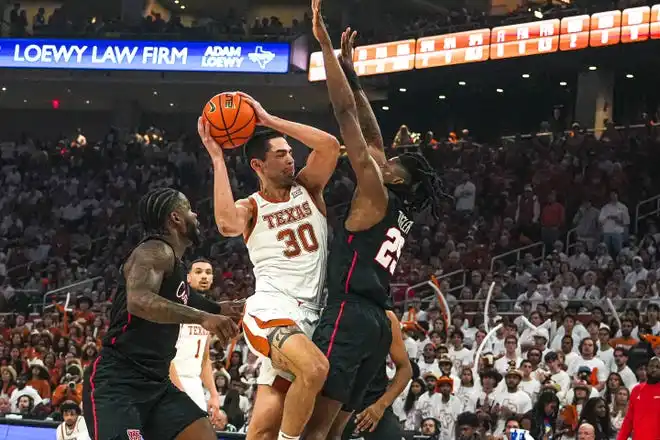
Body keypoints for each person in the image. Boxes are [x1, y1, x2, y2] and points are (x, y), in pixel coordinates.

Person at [304, 8, 446, 439]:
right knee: (334, 433)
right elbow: (372, 136)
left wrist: (326, 48)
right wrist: (357, 75)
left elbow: (345, 114)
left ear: (397, 175)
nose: (385, 156)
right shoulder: (399, 206)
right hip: (376, 324)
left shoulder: (377, 191)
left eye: (393, 160)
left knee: (313, 430)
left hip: (348, 313)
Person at [198, 85, 340, 440]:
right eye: (281, 154)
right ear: (258, 164)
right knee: (315, 369)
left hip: (314, 315)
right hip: (272, 310)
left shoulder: (309, 188)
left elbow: (329, 146)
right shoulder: (251, 207)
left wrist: (270, 120)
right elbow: (227, 223)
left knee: (260, 431)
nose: (291, 158)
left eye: (291, 152)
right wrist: (217, 158)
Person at [82, 188, 239, 440]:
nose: (195, 215)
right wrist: (202, 317)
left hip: (157, 382)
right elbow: (139, 302)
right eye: (189, 209)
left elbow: (184, 293)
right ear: (176, 218)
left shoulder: (174, 262)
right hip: (118, 382)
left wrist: (219, 308)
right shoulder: (154, 250)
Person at [329, 311, 412, 440]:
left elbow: (405, 369)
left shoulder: (386, 316)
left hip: (373, 403)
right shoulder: (331, 310)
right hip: (336, 403)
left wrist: (380, 406)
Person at [170, 258, 229, 419]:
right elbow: (165, 358)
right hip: (170, 383)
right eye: (198, 272)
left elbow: (204, 359)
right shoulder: (176, 309)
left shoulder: (208, 314)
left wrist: (213, 394)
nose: (204, 276)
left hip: (194, 382)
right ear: (188, 278)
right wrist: (179, 392)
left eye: (208, 273)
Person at [616, 356, 660, 440]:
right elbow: (629, 419)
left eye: (658, 367)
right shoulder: (636, 390)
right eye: (651, 366)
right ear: (647, 368)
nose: (654, 369)